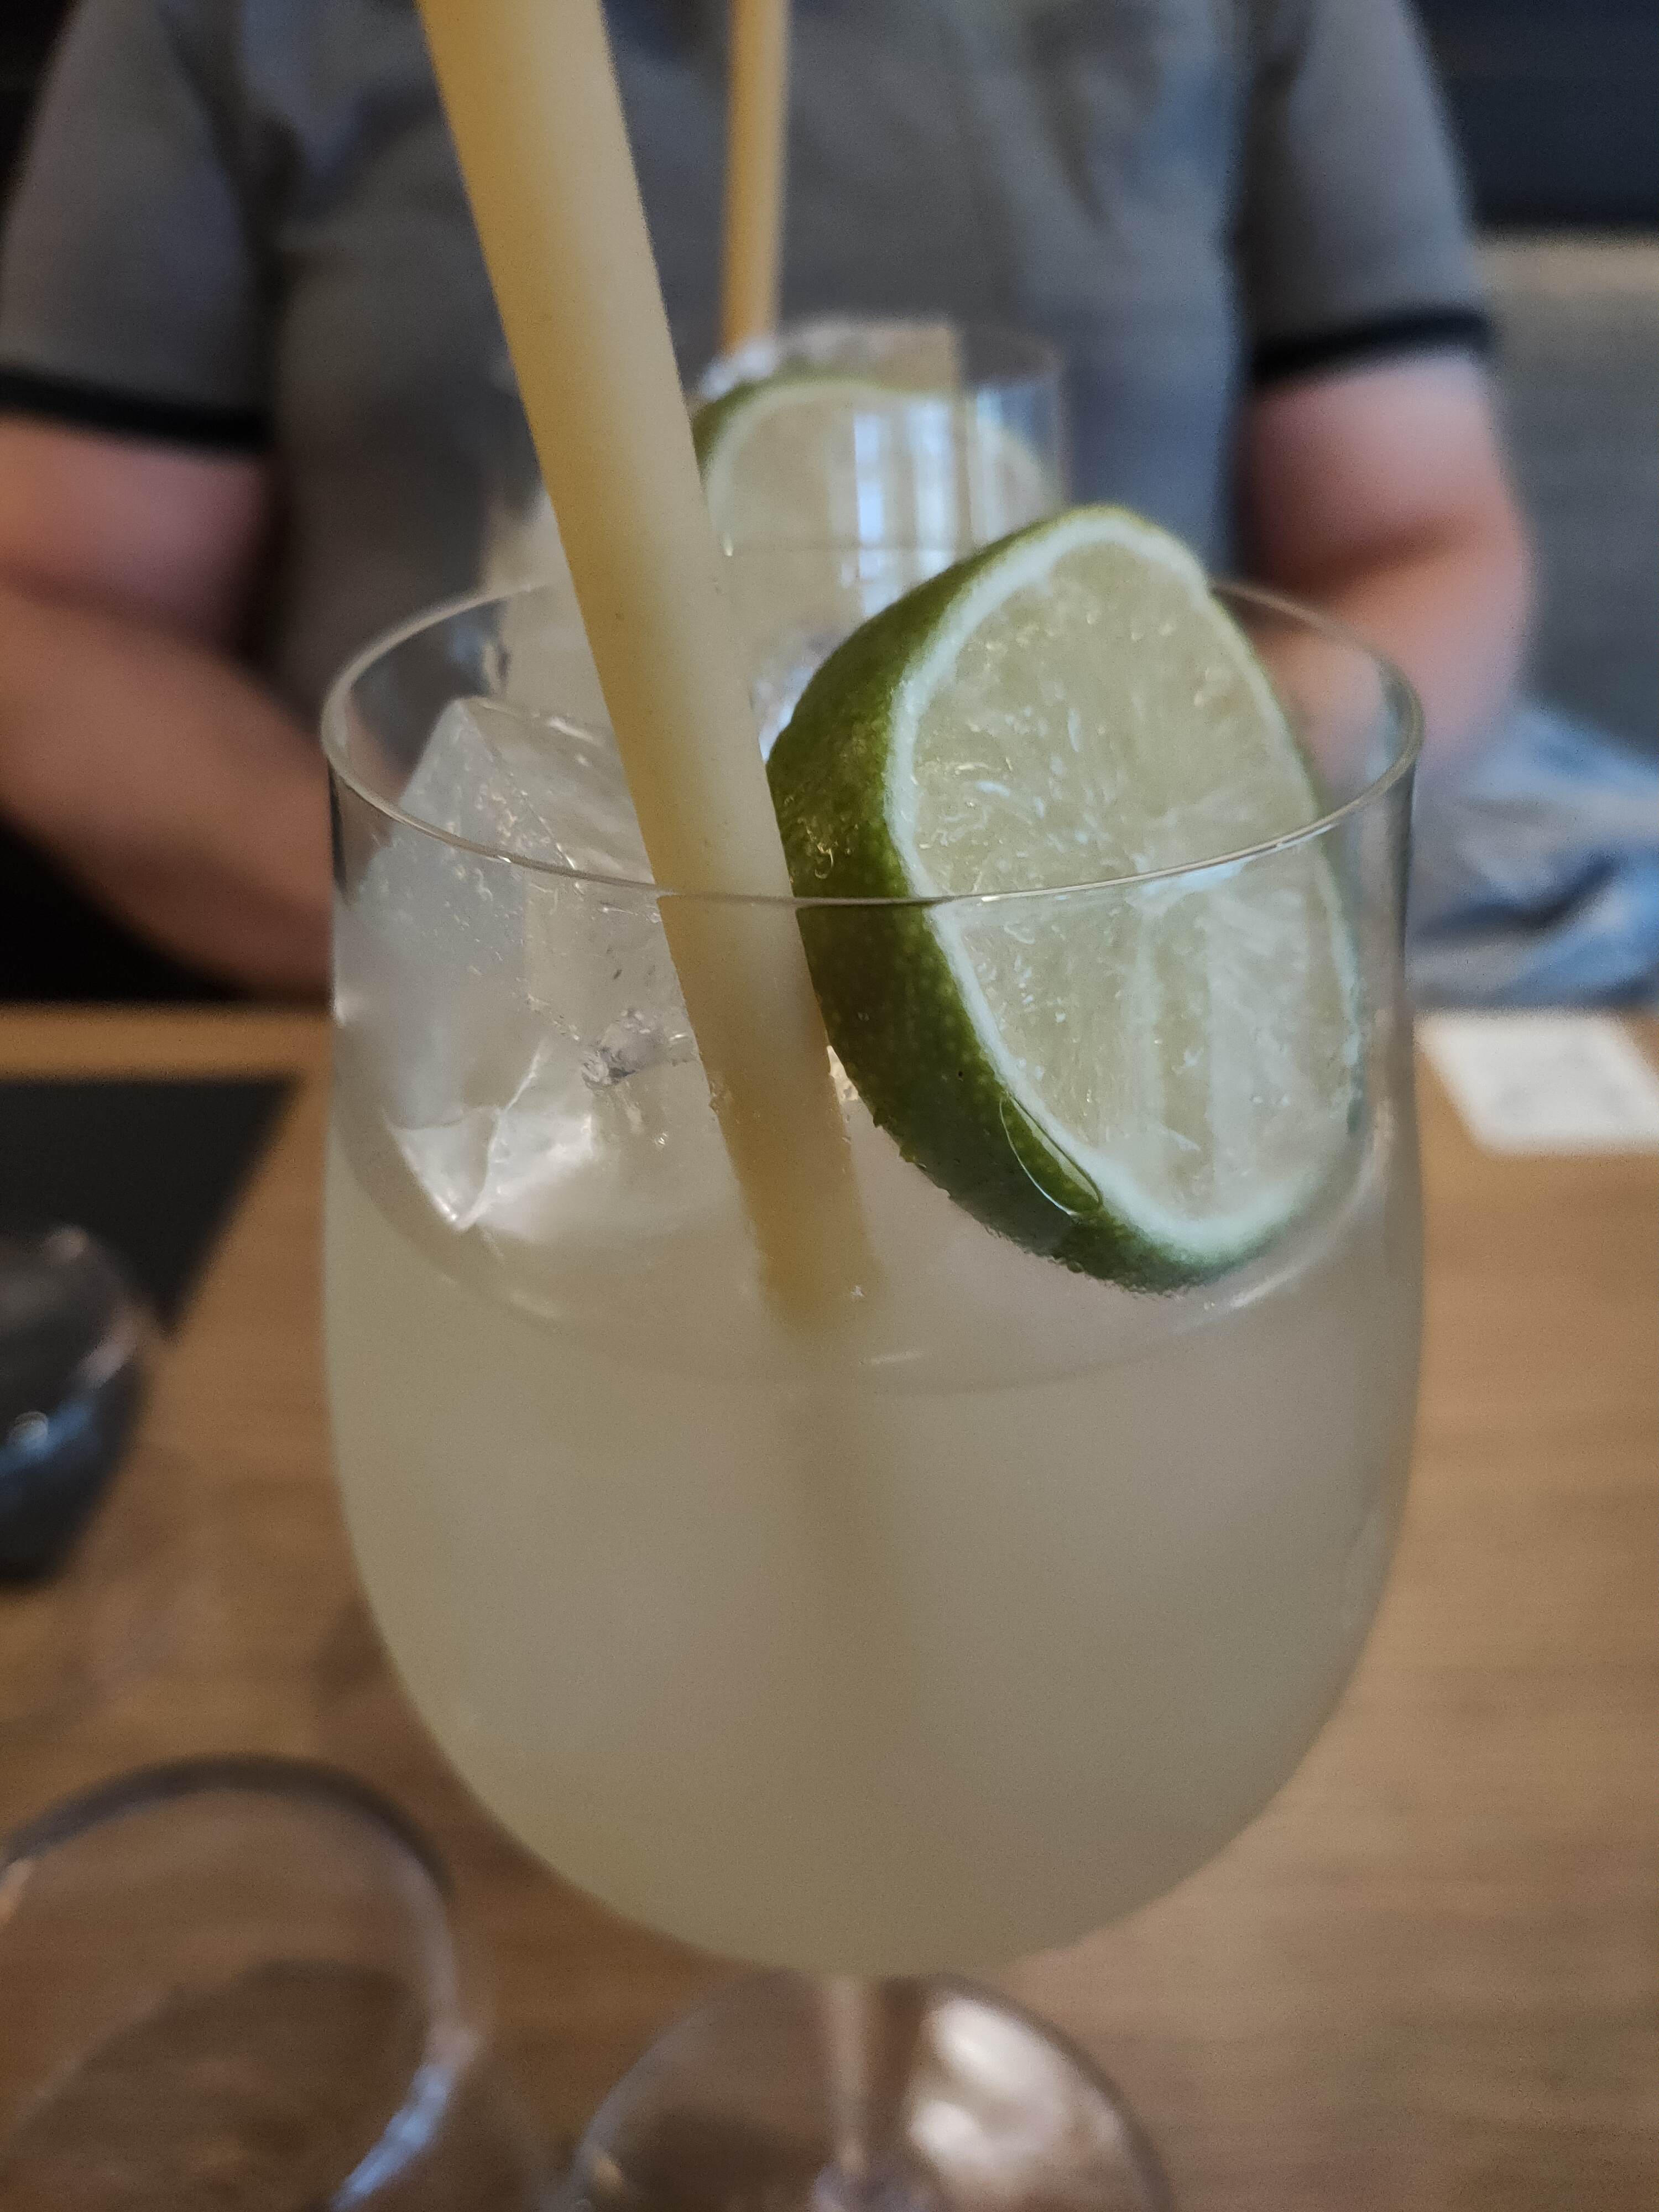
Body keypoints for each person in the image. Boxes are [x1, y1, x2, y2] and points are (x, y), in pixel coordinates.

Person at [0, 0, 1536, 999]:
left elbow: (1422, 545)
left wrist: (1158, 886)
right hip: (432, 1037)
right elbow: (48, 617)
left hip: (1084, 995)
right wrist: (473, 953)